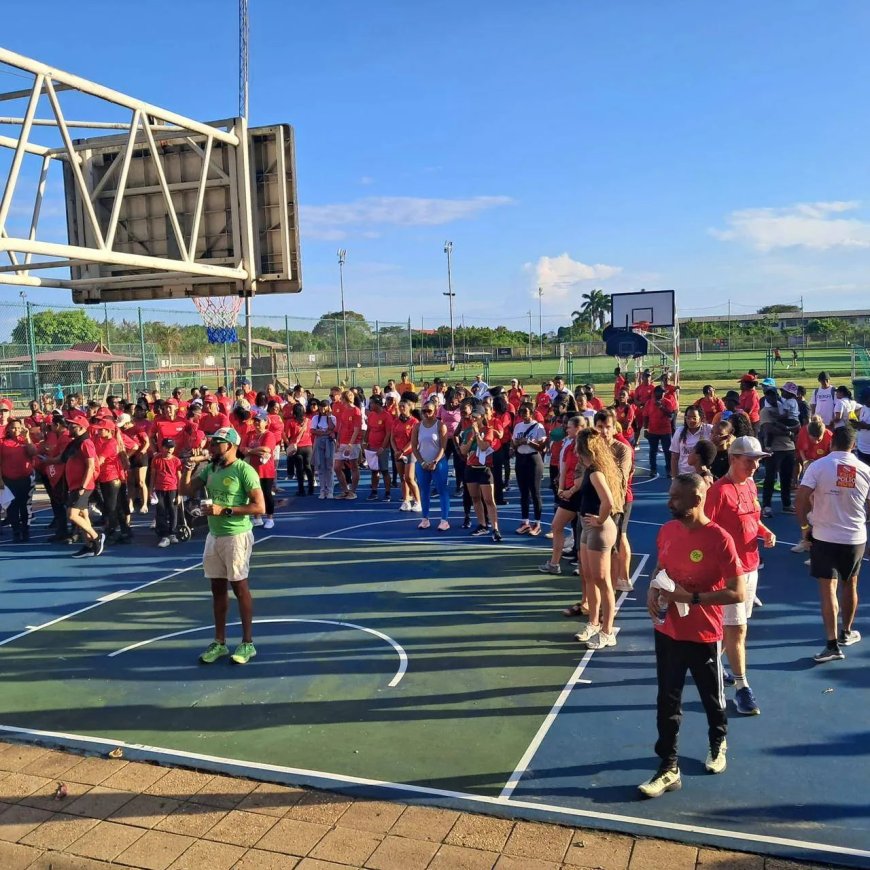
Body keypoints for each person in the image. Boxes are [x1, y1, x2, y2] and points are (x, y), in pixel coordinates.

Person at [638, 473, 745, 799]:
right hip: (668, 629)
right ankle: (668, 766)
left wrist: (693, 599)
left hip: (703, 634)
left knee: (711, 698)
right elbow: (662, 568)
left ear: (697, 500)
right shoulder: (667, 530)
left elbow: (737, 592)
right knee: (667, 700)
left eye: (675, 498)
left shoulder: (719, 539)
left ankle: (718, 741)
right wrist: (651, 591)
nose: (669, 502)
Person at [180, 427, 265, 665]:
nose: (212, 447)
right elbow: (185, 490)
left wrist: (225, 510)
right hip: (214, 535)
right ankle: (219, 642)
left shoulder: (244, 470)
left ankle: (248, 643)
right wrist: (186, 471)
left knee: (239, 587)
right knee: (217, 589)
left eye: (217, 443)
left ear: (231, 446)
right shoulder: (211, 469)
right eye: (212, 443)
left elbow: (260, 507)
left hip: (236, 536)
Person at [705, 437, 776, 717]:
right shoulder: (718, 492)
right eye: (750, 460)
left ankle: (710, 665)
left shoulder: (748, 485)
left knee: (734, 627)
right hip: (728, 573)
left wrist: (764, 531)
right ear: (733, 458)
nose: (756, 466)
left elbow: (751, 517)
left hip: (751, 567)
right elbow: (706, 529)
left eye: (758, 460)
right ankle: (741, 687)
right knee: (737, 630)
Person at [795, 426, 870, 662]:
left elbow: (801, 499)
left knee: (828, 589)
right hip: (855, 537)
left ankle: (831, 644)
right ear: (854, 445)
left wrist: (806, 529)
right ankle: (847, 633)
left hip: (825, 536)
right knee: (851, 584)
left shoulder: (817, 466)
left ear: (831, 442)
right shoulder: (866, 469)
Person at [572, 428, 625, 650]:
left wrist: (600, 520)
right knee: (589, 576)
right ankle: (593, 622)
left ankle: (607, 631)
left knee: (603, 581)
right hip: (588, 527)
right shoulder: (590, 470)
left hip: (598, 529)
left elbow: (608, 501)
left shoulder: (594, 471)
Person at [63, 410, 105, 558]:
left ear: (81, 428)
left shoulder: (86, 443)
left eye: (73, 426)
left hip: (82, 485)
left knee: (72, 514)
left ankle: (96, 537)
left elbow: (91, 466)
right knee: (83, 515)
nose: (69, 427)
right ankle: (89, 545)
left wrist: (83, 486)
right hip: (75, 485)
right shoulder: (76, 443)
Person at [458, 403, 502, 540]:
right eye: (472, 417)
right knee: (475, 498)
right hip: (471, 468)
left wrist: (477, 432)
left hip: (484, 469)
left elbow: (483, 447)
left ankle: (495, 528)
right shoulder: (466, 432)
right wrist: (471, 437)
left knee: (489, 500)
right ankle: (482, 525)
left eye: (476, 417)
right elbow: (463, 451)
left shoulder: (488, 430)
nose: (473, 420)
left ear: (482, 417)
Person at [411, 399, 450, 530]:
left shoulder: (440, 426)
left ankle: (444, 520)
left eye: (429, 411)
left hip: (438, 463)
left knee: (441, 490)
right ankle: (425, 518)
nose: (426, 413)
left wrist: (435, 461)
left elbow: (443, 447)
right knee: (424, 491)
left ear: (435, 411)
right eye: (424, 411)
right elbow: (414, 447)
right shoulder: (417, 426)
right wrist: (422, 462)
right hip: (422, 463)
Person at [759, 388, 797, 518]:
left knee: (786, 478)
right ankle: (767, 506)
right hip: (774, 449)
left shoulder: (784, 408)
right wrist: (788, 432)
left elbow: (797, 425)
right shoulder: (765, 411)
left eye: (774, 395)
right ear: (766, 397)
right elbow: (768, 429)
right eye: (769, 395)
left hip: (789, 447)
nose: (772, 398)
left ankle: (786, 504)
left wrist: (791, 430)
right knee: (770, 478)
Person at [0, 418, 38, 542]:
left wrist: (27, 438)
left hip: (25, 479)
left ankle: (25, 530)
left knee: (25, 506)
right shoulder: (3, 443)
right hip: (9, 480)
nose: (16, 430)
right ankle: (16, 530)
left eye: (18, 427)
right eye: (13, 427)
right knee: (12, 507)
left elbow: (33, 452)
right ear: (8, 430)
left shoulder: (25, 441)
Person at [512, 402, 547, 536]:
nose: (523, 414)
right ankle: (525, 522)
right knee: (523, 492)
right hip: (521, 458)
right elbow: (514, 443)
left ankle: (537, 523)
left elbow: (542, 447)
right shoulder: (518, 426)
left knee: (535, 492)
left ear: (531, 412)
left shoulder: (538, 426)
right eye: (521, 412)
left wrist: (528, 442)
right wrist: (517, 443)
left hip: (533, 459)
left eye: (525, 412)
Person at [244, 409, 279, 528]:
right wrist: (253, 451)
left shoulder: (269, 435)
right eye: (255, 421)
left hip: (265, 471)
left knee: (266, 494)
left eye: (259, 421)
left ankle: (270, 518)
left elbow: (266, 449)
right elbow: (243, 449)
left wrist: (251, 451)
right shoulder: (250, 434)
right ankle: (257, 517)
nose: (257, 424)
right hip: (251, 470)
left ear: (265, 422)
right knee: (253, 494)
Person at [390, 399, 421, 512]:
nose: (401, 408)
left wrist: (402, 451)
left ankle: (418, 501)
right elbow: (392, 437)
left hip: (410, 452)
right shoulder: (396, 421)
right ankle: (406, 500)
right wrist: (395, 450)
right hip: (398, 452)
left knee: (409, 477)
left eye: (403, 406)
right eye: (400, 406)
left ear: (409, 407)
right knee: (402, 478)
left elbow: (413, 440)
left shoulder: (414, 422)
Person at [151, 438, 182, 547]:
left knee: (173, 511)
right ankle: (164, 536)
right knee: (161, 512)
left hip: (172, 489)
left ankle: (172, 534)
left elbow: (179, 477)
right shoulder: (156, 459)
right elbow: (153, 476)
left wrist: (180, 493)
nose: (169, 449)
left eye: (171, 447)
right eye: (167, 447)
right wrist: (151, 490)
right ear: (162, 447)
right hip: (159, 489)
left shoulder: (176, 461)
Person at [645, 386, 678, 478]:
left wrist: (661, 407)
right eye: (660, 392)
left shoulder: (667, 402)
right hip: (653, 430)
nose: (663, 394)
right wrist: (645, 429)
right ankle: (653, 469)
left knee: (667, 451)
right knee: (653, 451)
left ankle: (669, 470)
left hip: (665, 431)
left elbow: (670, 415)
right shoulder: (649, 403)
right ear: (655, 393)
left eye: (664, 392)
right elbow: (646, 416)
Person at [670, 407, 712, 478]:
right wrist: (674, 478)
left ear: (701, 418)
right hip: (683, 476)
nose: (690, 421)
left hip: (702, 475)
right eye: (688, 418)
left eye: (694, 418)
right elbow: (674, 457)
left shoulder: (709, 429)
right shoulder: (679, 432)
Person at [310, 400, 337, 499]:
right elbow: (313, 430)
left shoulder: (332, 418)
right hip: (319, 442)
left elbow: (332, 428)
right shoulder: (315, 418)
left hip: (329, 443)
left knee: (329, 466)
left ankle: (330, 490)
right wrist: (325, 433)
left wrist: (329, 416)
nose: (322, 409)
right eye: (321, 407)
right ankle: (322, 490)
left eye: (324, 407)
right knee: (321, 466)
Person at [856, 390, 870, 465]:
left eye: (865, 400)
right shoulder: (864, 408)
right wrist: (856, 424)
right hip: (861, 448)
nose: (864, 402)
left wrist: (864, 425)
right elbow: (862, 421)